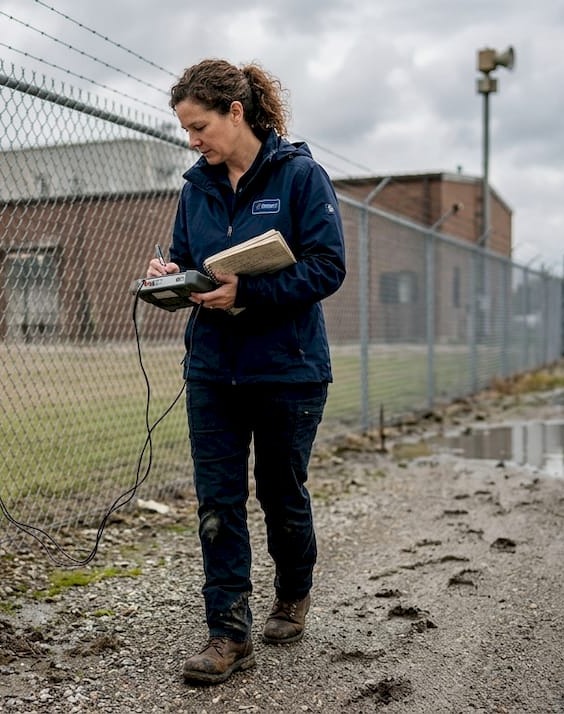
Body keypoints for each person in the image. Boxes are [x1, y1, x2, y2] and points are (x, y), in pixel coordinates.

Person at [145, 58, 347, 684]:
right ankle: (228, 632)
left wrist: (249, 295)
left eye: (199, 126)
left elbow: (327, 267)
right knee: (218, 502)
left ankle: (293, 594)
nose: (193, 140)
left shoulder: (300, 178)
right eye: (185, 130)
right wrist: (169, 277)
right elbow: (186, 259)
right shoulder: (194, 189)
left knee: (281, 494)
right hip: (212, 368)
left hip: (288, 370)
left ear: (236, 113)